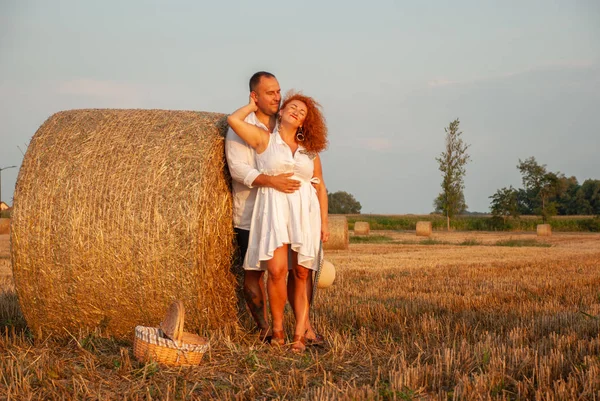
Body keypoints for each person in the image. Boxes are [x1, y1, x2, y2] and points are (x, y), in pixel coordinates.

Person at [227, 89, 329, 352]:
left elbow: (320, 187)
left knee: (303, 272)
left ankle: (299, 336)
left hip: (305, 213)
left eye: (302, 112)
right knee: (276, 271)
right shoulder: (264, 140)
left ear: (304, 122)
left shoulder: (309, 151)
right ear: (281, 111)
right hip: (274, 210)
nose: (296, 112)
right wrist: (251, 105)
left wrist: (325, 223)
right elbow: (233, 121)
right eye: (292, 107)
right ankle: (278, 330)